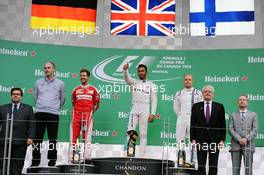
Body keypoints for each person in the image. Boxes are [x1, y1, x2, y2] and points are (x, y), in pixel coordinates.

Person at [31, 61, 65, 167]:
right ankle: (35, 161)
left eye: (49, 68)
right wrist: (43, 106)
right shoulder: (38, 82)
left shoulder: (60, 83)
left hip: (53, 114)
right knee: (37, 139)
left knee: (52, 139)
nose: (46, 69)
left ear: (54, 69)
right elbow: (35, 97)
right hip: (40, 113)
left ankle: (52, 161)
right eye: (45, 68)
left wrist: (53, 107)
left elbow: (62, 99)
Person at [123, 63, 157, 157]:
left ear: (146, 72)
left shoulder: (151, 84)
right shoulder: (134, 82)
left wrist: (153, 113)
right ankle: (130, 153)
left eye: (142, 71)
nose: (140, 72)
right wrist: (125, 70)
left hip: (145, 109)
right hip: (135, 108)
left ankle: (142, 156)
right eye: (139, 71)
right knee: (130, 131)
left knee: (143, 133)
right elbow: (127, 79)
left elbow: (154, 100)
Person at [190, 85, 226, 175]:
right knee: (201, 165)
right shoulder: (196, 106)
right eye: (205, 91)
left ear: (213, 94)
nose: (207, 93)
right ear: (202, 94)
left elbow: (223, 125)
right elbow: (192, 124)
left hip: (215, 140)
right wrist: (193, 139)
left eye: (209, 92)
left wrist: (222, 140)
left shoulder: (220, 106)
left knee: (213, 165)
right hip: (200, 140)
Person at [0, 87, 35, 175]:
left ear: (21, 96)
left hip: (21, 141)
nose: (15, 95)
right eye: (14, 94)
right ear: (11, 96)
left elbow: (32, 124)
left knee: (17, 165)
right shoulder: (3, 108)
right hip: (4, 142)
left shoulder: (28, 108)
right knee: (3, 164)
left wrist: (30, 137)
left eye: (18, 94)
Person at [71, 68, 100, 161]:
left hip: (88, 115)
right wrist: (78, 111)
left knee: (87, 137)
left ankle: (87, 157)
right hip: (77, 115)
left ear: (88, 77)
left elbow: (97, 103)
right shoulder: (75, 89)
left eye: (84, 75)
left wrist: (91, 112)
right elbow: (73, 102)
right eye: (81, 76)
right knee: (74, 136)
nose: (82, 77)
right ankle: (73, 156)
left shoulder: (93, 89)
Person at [229, 95, 258, 175]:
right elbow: (230, 129)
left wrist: (246, 139)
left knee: (248, 169)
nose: (242, 101)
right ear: (238, 102)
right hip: (235, 146)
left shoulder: (253, 115)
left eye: (244, 100)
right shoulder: (232, 115)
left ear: (247, 102)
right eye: (240, 100)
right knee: (235, 170)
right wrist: (239, 139)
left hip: (248, 145)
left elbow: (255, 130)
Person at [173, 74, 203, 143]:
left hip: (193, 119)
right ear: (183, 81)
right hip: (181, 118)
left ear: (192, 81)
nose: (187, 81)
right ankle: (180, 153)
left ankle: (192, 153)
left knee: (193, 140)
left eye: (189, 80)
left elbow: (200, 108)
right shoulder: (178, 93)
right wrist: (181, 115)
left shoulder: (198, 93)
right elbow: (175, 107)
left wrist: (195, 117)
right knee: (180, 139)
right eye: (186, 80)